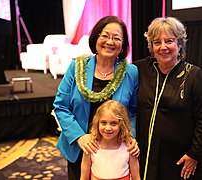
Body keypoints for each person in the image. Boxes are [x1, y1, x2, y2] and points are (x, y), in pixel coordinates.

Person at [53, 16, 139, 180]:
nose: (110, 41)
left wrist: (130, 137)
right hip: (80, 148)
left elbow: (133, 112)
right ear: (96, 39)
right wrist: (79, 137)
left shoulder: (131, 72)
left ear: (122, 45)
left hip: (115, 149)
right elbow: (60, 106)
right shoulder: (77, 67)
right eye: (105, 36)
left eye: (116, 38)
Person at [134, 17, 202, 180]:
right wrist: (89, 60)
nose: (163, 47)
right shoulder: (140, 69)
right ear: (151, 46)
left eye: (169, 41)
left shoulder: (194, 75)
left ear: (180, 43)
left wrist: (194, 154)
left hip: (180, 161)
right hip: (145, 157)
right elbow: (113, 68)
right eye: (157, 42)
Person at [80, 100, 140, 180]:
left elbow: (136, 178)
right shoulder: (90, 147)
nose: (108, 128)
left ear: (122, 125)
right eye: (103, 123)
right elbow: (84, 178)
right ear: (97, 123)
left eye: (114, 123)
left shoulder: (129, 148)